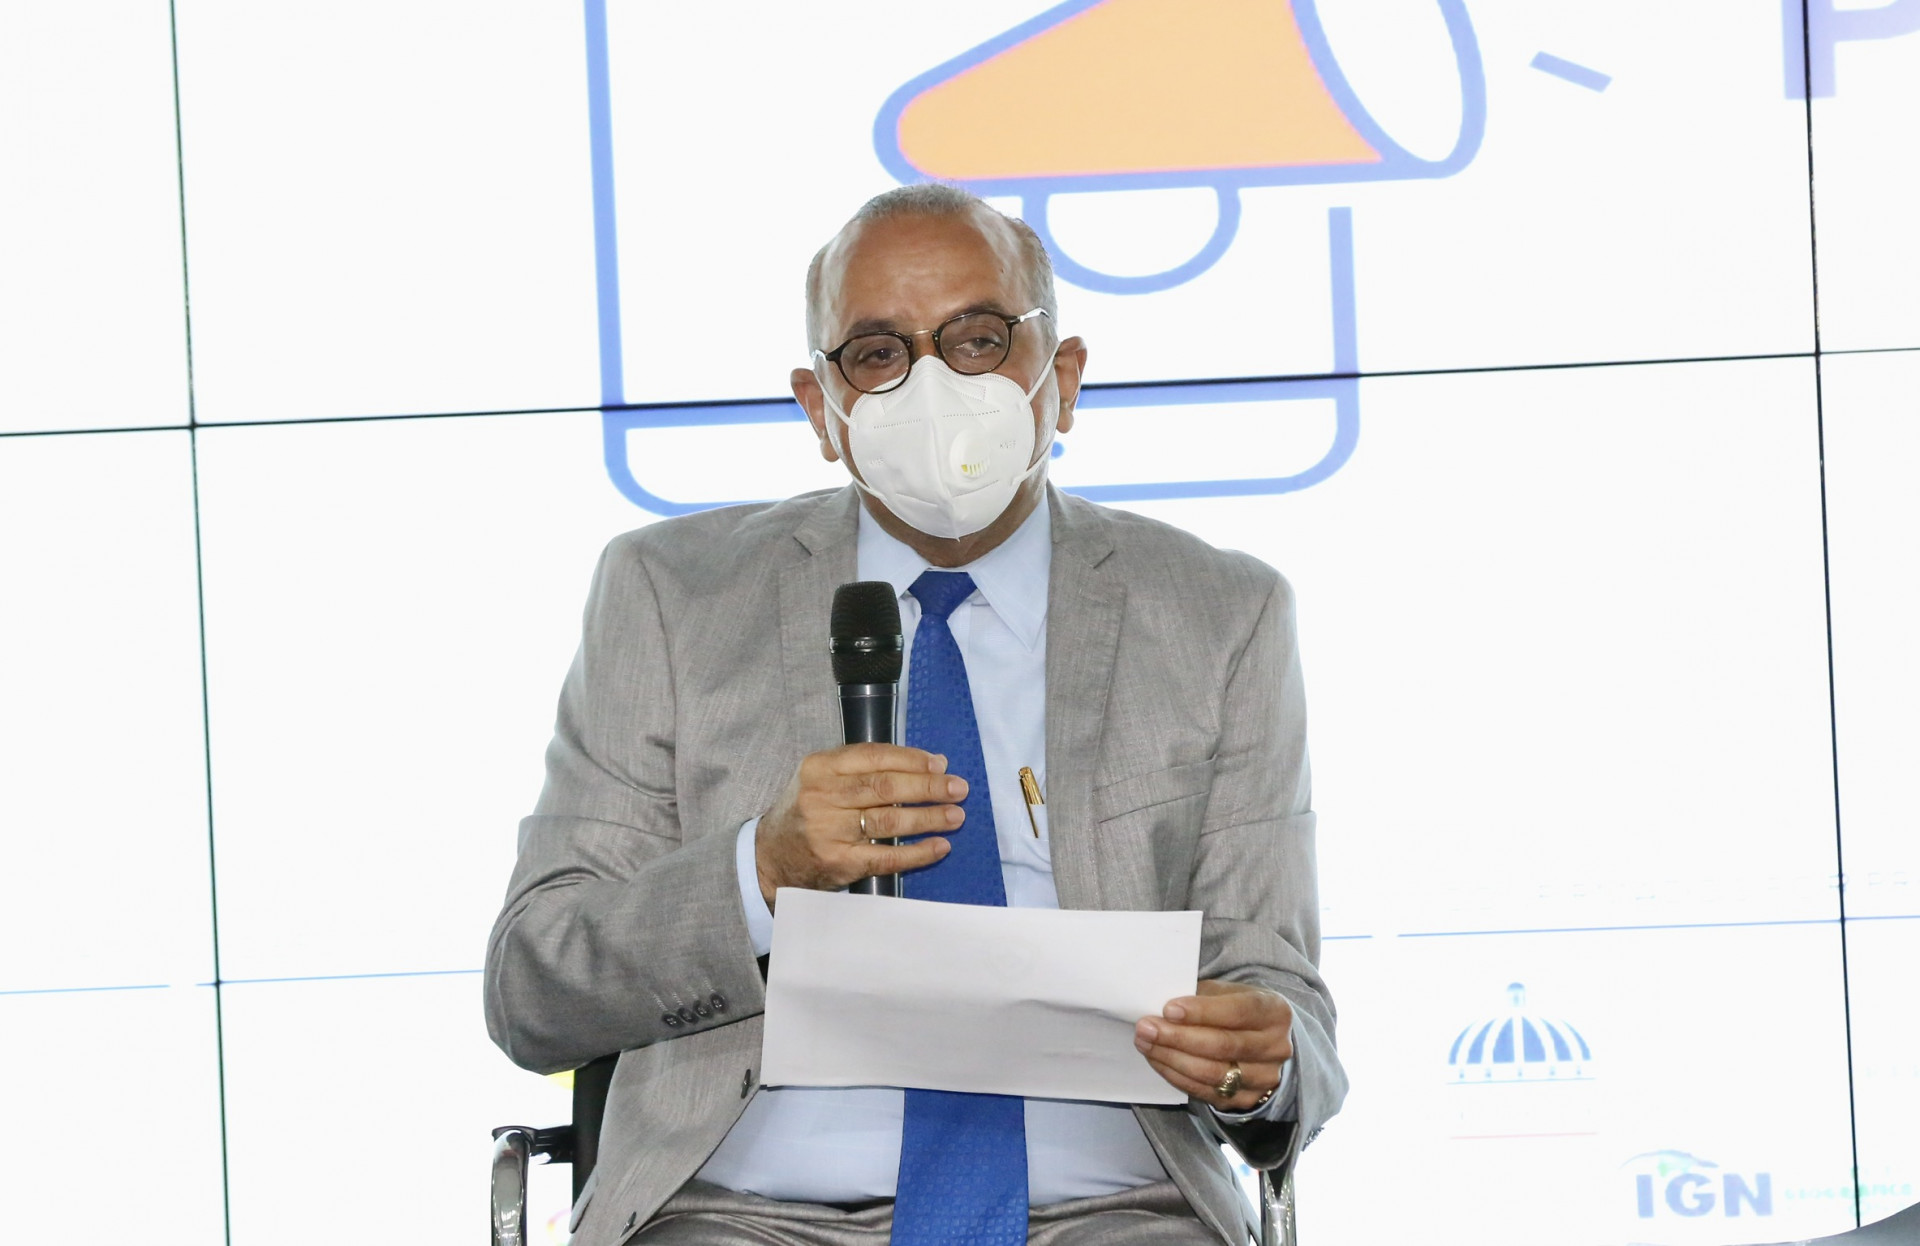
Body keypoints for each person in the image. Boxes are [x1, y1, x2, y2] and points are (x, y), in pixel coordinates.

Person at [485, 184, 1345, 1246]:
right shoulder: (669, 595)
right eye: (881, 354)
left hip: (1117, 1212)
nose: (935, 386)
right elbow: (533, 986)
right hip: (740, 1215)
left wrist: (1261, 1063)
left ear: (1063, 378)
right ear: (821, 410)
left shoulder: (1222, 614)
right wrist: (763, 871)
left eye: (979, 340)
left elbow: (1286, 1010)